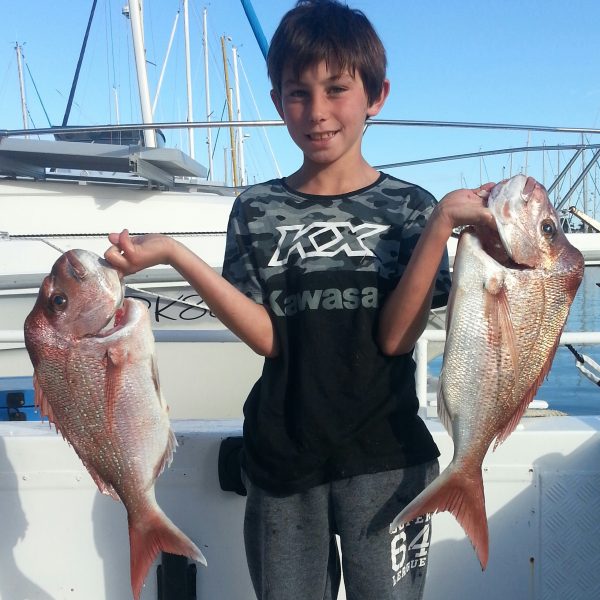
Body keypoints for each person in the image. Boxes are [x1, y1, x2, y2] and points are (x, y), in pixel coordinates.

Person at [105, 1, 495, 598]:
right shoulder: (255, 209)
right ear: (276, 100)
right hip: (282, 458)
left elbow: (395, 338)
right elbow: (268, 338)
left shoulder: (412, 209)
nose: (317, 112)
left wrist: (443, 221)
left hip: (387, 457)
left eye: (337, 89)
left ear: (376, 95)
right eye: (297, 94)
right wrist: (178, 256)